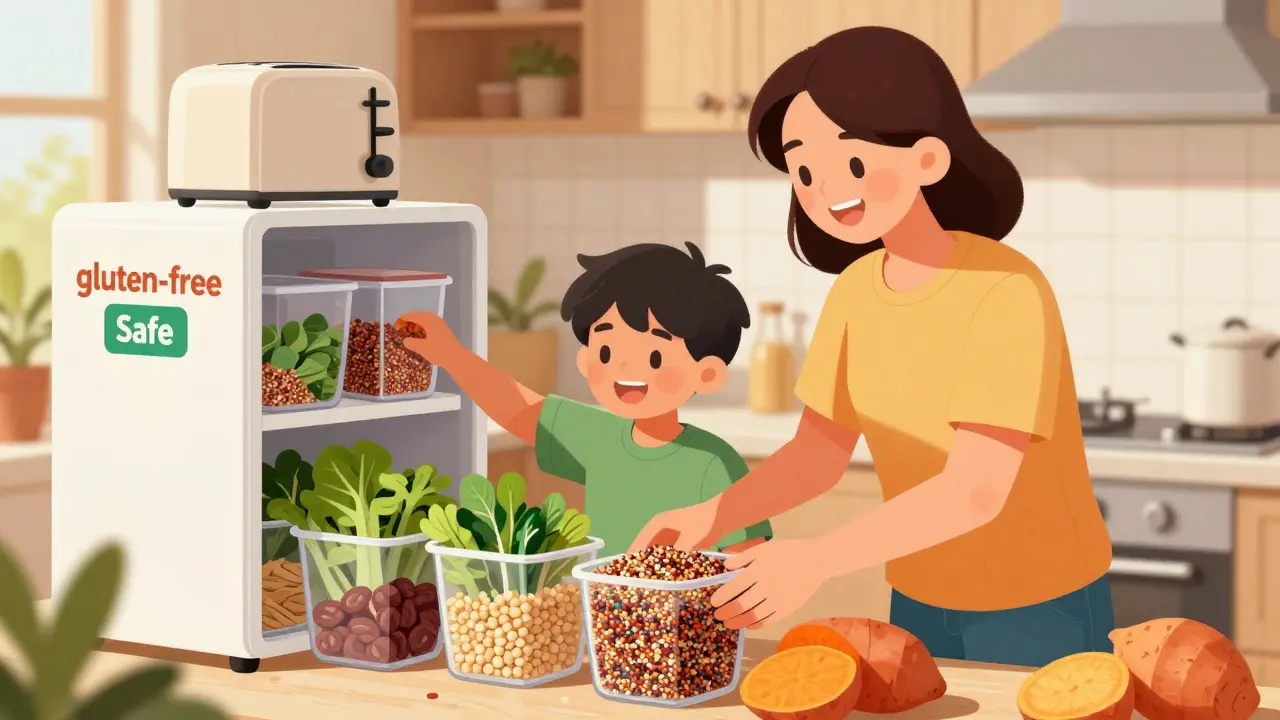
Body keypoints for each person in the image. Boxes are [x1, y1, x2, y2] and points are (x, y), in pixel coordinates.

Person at [629, 27, 1115, 668]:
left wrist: (816, 559)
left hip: (1038, 601)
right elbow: (817, 454)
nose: (826, 189)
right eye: (804, 170)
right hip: (918, 594)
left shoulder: (1005, 289)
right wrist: (712, 515)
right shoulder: (857, 291)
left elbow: (975, 489)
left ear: (928, 160)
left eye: (851, 162)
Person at [400, 242, 772, 556]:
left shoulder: (714, 463)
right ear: (585, 358)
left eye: (655, 356)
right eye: (606, 351)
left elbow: (748, 560)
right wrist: (450, 354)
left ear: (706, 374)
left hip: (686, 629)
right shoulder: (600, 437)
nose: (624, 368)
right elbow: (521, 410)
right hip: (606, 619)